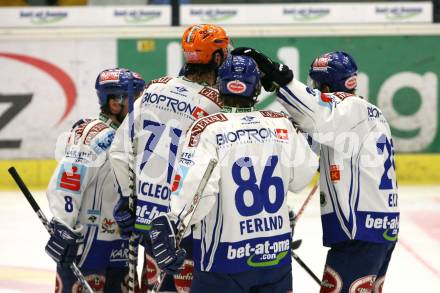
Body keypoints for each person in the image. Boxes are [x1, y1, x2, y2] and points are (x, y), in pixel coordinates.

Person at [233, 48, 399, 293]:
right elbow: (311, 142)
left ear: (328, 87)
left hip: (360, 232)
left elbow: (314, 114)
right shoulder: (363, 113)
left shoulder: (347, 109)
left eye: (316, 85)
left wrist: (280, 76)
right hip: (379, 228)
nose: (313, 89)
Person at [148, 54, 318, 292]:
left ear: (219, 85)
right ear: (257, 89)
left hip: (223, 261)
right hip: (276, 257)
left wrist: (172, 222)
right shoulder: (281, 124)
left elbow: (196, 192)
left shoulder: (207, 128)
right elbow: (301, 179)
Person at [109, 24, 230, 292]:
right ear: (218, 58)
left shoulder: (154, 88)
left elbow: (119, 149)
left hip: (146, 216)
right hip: (186, 224)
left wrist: (127, 197)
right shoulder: (217, 104)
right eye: (224, 51)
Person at [45, 68, 146, 292]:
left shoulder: (134, 138)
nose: (141, 106)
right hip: (89, 243)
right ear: (114, 104)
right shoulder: (93, 135)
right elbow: (67, 183)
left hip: (123, 242)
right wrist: (63, 225)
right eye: (135, 98)